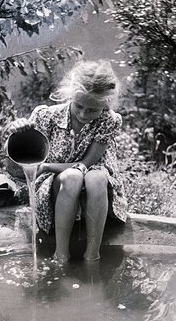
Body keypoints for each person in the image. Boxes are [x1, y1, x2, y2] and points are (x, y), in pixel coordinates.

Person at [8, 60, 127, 262]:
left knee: (96, 177)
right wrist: (17, 132)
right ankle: (61, 253)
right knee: (72, 177)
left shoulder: (109, 120)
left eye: (92, 110)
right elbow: (17, 161)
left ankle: (93, 254)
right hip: (58, 186)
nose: (83, 114)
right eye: (79, 106)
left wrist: (45, 166)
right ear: (70, 95)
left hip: (95, 184)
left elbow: (87, 163)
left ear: (106, 103)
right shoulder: (46, 116)